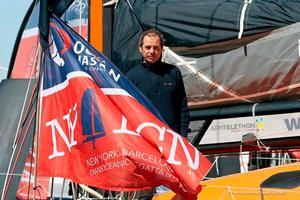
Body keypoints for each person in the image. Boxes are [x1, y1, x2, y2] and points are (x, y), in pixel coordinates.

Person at [126, 28, 190, 199]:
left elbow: (182, 107)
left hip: (171, 145)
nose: (151, 51)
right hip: (143, 144)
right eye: (147, 47)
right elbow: (126, 112)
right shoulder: (131, 77)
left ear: (162, 49)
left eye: (156, 47)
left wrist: (183, 138)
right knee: (143, 193)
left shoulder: (173, 73)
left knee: (172, 192)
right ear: (140, 49)